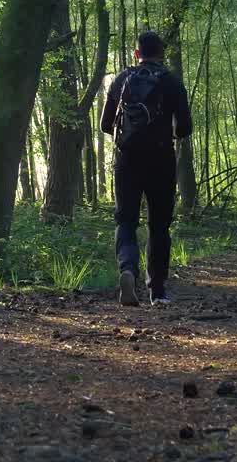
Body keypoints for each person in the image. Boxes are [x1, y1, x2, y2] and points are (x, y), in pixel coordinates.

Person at [100, 31, 192, 306]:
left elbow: (105, 125)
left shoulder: (120, 80)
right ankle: (158, 291)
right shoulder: (172, 82)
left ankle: (127, 270)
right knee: (159, 225)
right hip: (161, 160)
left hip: (126, 160)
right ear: (162, 54)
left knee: (126, 221)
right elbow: (186, 128)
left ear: (137, 54)